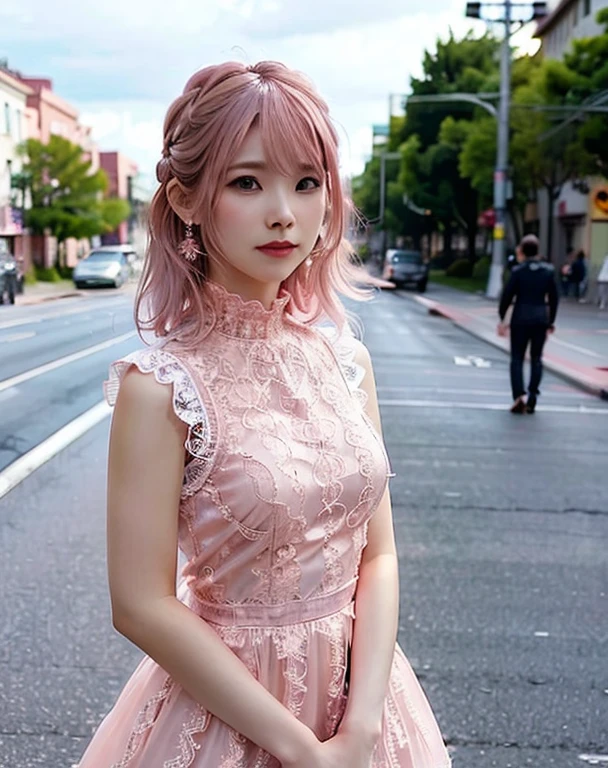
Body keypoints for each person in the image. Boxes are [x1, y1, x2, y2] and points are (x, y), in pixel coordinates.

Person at [77, 61, 451, 768]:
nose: (284, 210)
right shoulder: (159, 387)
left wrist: (363, 728)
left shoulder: (346, 361)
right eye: (247, 182)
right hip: (229, 715)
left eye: (307, 183)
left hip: (368, 705)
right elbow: (140, 604)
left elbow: (380, 555)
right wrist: (303, 752)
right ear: (187, 199)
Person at [497, 234, 559, 414]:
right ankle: (533, 397)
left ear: (522, 251)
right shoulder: (548, 271)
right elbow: (554, 298)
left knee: (516, 358)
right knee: (536, 358)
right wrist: (551, 321)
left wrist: (502, 319)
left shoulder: (518, 271)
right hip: (540, 318)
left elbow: (506, 297)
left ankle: (518, 396)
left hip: (520, 318)